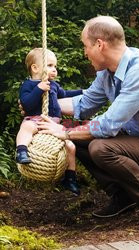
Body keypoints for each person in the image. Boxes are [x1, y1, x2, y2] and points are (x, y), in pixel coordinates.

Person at [36, 16, 139, 231]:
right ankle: (123, 196)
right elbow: (85, 103)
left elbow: (107, 126)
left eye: (86, 46)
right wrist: (38, 105)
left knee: (100, 147)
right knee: (81, 140)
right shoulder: (107, 72)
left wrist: (64, 132)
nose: (85, 53)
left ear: (99, 44)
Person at [16, 48, 82, 196]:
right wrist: (39, 89)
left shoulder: (54, 85)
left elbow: (65, 95)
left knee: (70, 146)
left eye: (55, 66)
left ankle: (70, 178)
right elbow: (27, 104)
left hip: (54, 124)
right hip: (36, 121)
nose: (54, 70)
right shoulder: (28, 85)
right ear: (35, 68)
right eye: (50, 65)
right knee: (26, 127)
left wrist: (83, 91)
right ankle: (21, 151)